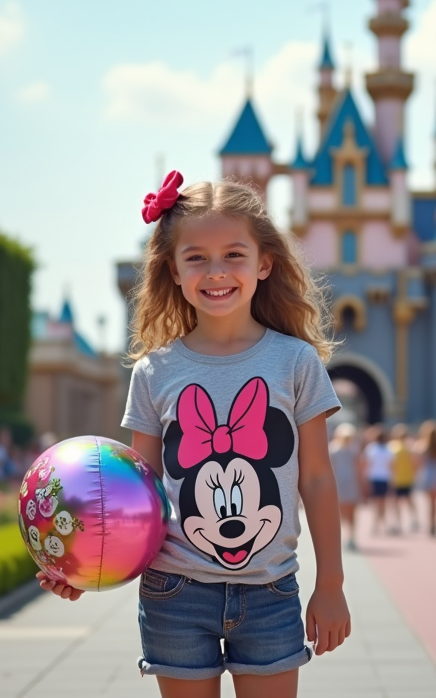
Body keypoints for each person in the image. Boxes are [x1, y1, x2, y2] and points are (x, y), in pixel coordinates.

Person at [39, 174, 350, 697]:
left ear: (264, 263)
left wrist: (332, 585)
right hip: (174, 592)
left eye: (233, 254)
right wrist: (78, 565)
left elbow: (317, 480)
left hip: (272, 592)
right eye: (197, 258)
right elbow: (135, 499)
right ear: (174, 270)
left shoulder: (295, 361)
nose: (216, 272)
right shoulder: (154, 372)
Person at [329, 424, 363, 551]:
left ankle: (349, 537)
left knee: (344, 511)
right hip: (348, 481)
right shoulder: (348, 448)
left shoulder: (334, 448)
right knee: (348, 511)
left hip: (342, 481)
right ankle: (350, 537)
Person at [414, 420, 436, 536]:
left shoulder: (422, 446)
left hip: (427, 475)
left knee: (430, 503)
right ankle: (434, 523)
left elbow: (418, 463)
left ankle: (431, 523)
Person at [362, 425, 394, 535]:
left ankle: (375, 526)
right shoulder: (388, 449)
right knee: (383, 503)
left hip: (374, 478)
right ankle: (382, 525)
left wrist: (365, 479)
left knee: (376, 503)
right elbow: (391, 466)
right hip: (384, 478)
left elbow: (367, 465)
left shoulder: (372, 449)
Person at [388, 425, 417, 533]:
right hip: (407, 478)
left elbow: (391, 465)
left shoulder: (392, 447)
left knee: (396, 503)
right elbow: (415, 464)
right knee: (409, 501)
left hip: (396, 479)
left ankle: (398, 523)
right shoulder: (409, 448)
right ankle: (414, 520)